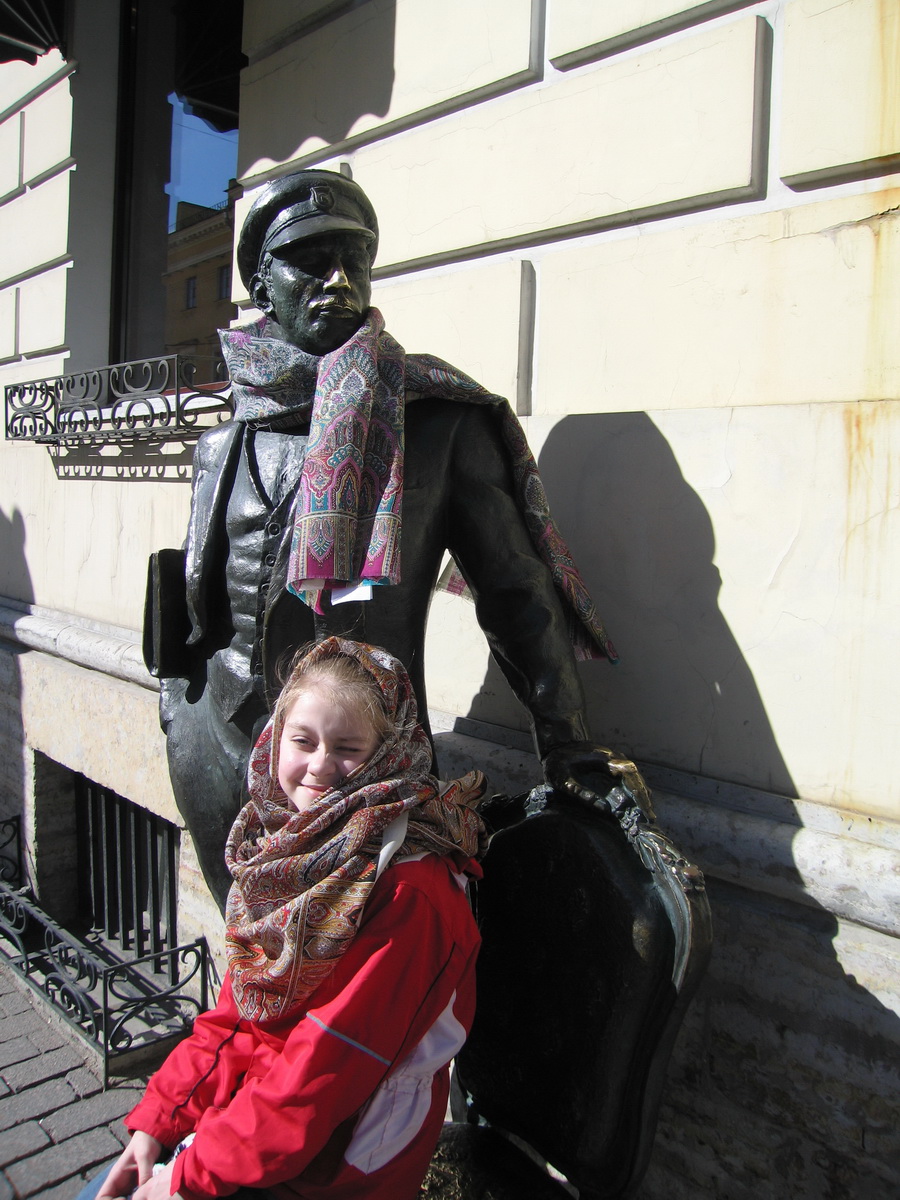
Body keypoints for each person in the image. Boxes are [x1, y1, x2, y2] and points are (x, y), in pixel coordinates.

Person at [151, 167, 618, 907]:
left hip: (365, 770)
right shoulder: (222, 443)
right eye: (309, 262)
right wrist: (177, 708)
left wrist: (567, 743)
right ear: (262, 286)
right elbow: (200, 604)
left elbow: (516, 593)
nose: (338, 281)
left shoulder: (437, 424)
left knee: (366, 970)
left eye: (354, 261)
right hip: (220, 757)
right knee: (251, 957)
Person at [82, 637, 487, 1200]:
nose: (320, 766)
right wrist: (163, 1118)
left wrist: (187, 1175)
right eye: (303, 740)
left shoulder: (409, 894)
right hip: (249, 1131)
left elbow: (325, 1070)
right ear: (276, 739)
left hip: (337, 1167)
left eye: (348, 747)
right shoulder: (289, 853)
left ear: (389, 755)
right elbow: (238, 1016)